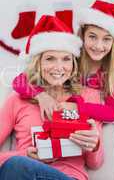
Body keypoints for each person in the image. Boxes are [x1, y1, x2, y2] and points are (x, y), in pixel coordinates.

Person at [0, 15, 104, 180]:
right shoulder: (17, 100)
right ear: (38, 63)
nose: (59, 67)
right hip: (24, 172)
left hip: (69, 177)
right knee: (17, 165)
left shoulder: (88, 96)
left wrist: (95, 144)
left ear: (73, 64)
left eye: (66, 59)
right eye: (50, 59)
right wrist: (25, 154)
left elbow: (95, 164)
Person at [12, 0, 114, 122]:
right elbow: (19, 81)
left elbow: (111, 113)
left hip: (79, 119)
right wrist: (41, 96)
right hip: (55, 112)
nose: (98, 46)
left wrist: (77, 107)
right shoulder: (72, 57)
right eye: (92, 37)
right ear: (83, 35)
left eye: (106, 39)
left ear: (113, 43)